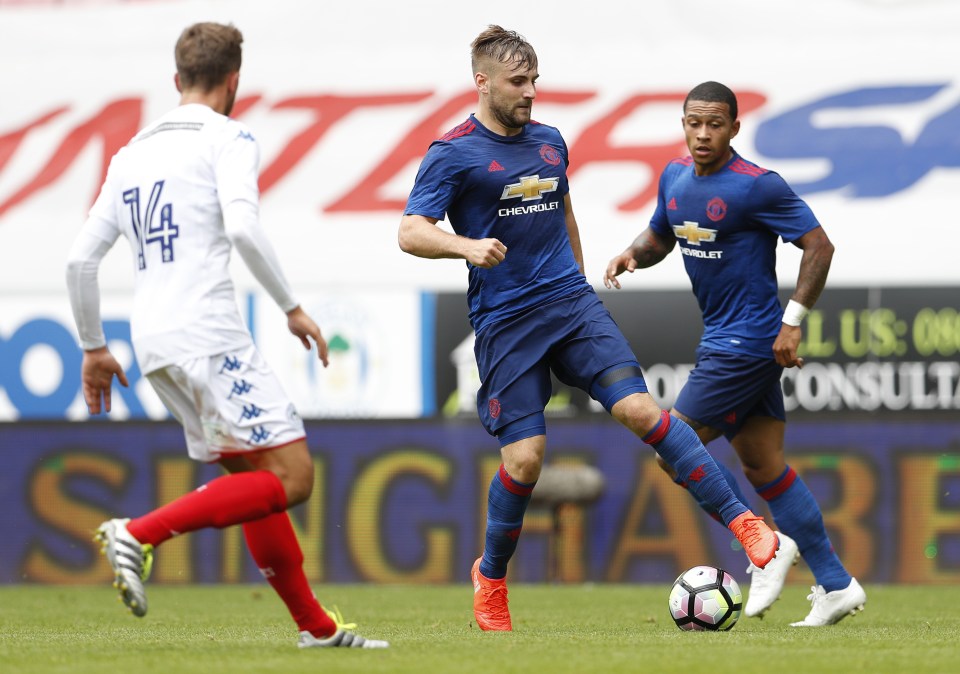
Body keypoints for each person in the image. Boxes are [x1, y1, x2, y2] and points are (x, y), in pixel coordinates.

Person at [399, 27, 782, 632]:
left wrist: (578, 285)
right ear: (483, 82)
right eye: (518, 83)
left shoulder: (551, 141)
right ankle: (491, 578)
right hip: (505, 321)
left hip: (570, 305)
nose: (530, 93)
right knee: (525, 461)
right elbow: (410, 230)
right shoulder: (453, 152)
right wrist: (465, 246)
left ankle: (746, 524)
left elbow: (564, 211)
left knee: (640, 411)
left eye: (534, 80)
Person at [65, 22, 387, 649]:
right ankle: (138, 533)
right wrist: (293, 307)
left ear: (176, 79)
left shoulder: (130, 153)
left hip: (152, 340)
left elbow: (80, 259)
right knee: (293, 477)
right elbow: (241, 228)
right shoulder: (230, 137)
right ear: (234, 80)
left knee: (255, 475)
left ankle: (316, 629)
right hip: (207, 332)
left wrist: (93, 346)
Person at [603, 81, 866, 627]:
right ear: (682, 124)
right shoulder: (674, 178)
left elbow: (820, 245)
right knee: (764, 466)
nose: (703, 134)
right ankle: (837, 584)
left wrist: (792, 322)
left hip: (745, 342)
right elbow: (661, 237)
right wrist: (631, 254)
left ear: (734, 128)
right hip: (725, 336)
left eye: (715, 124)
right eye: (693, 123)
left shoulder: (757, 186)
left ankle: (762, 544)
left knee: (670, 448)